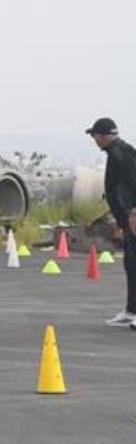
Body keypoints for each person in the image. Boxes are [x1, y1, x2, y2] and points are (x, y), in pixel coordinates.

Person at [87, 118, 136, 327]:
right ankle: (131, 311)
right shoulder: (115, 152)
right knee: (131, 265)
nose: (94, 140)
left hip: (133, 218)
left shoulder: (121, 153)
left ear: (103, 136)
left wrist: (133, 212)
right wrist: (119, 219)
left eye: (95, 136)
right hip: (127, 219)